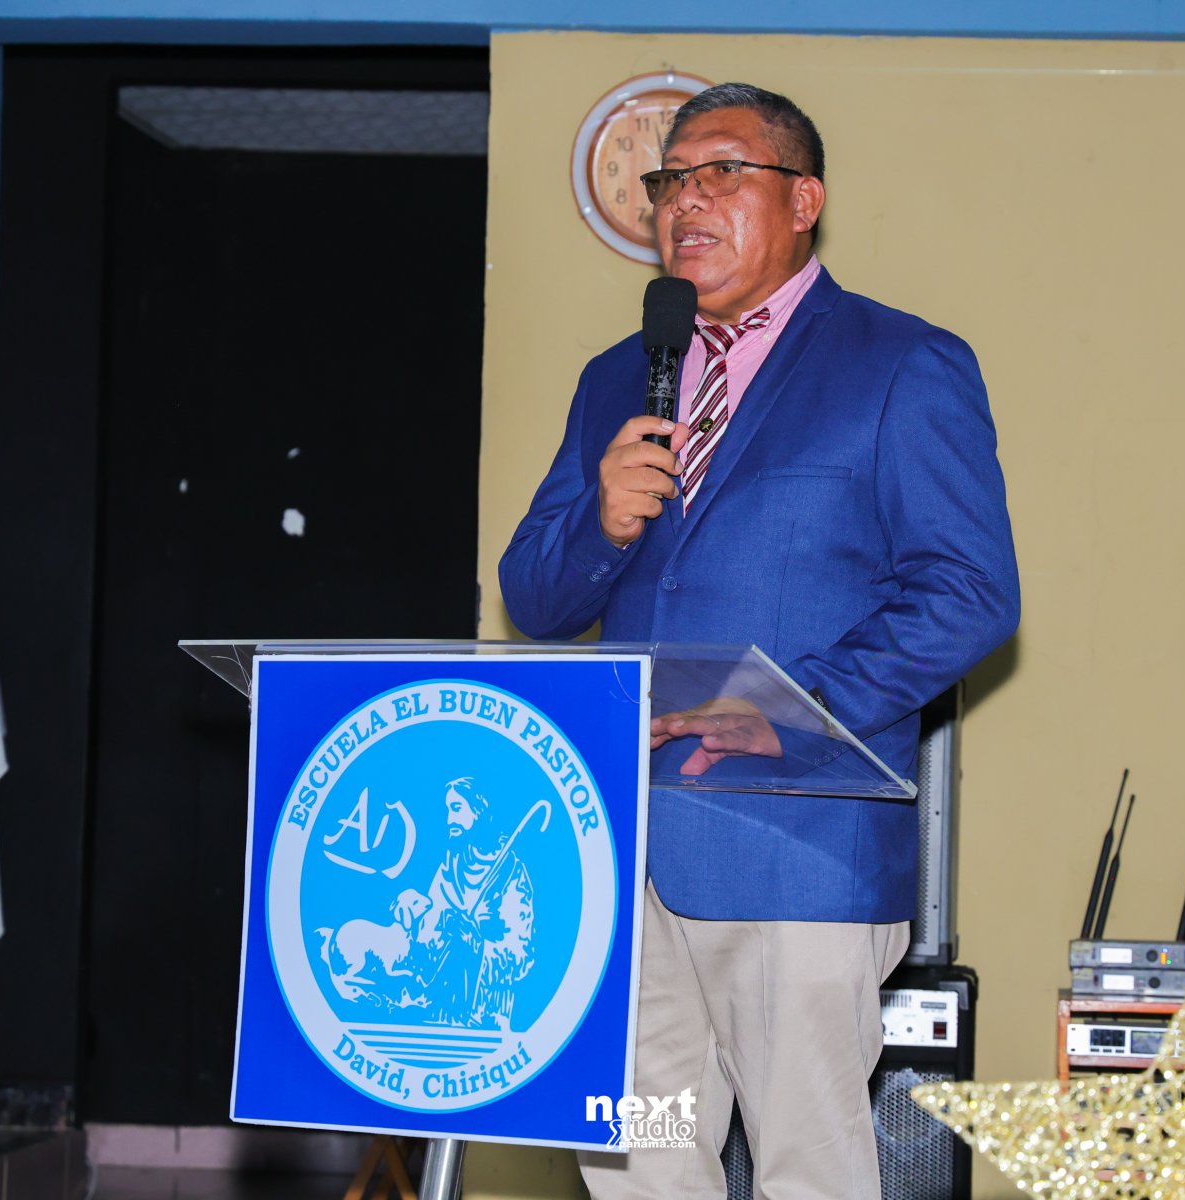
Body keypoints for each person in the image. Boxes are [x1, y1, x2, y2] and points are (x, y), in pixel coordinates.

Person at [499, 82, 1019, 1198]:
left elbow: (970, 591)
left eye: (721, 173)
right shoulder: (617, 377)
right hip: (624, 857)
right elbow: (532, 597)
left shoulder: (902, 364)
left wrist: (790, 707)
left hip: (797, 853)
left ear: (804, 201)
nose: (684, 201)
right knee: (636, 1157)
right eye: (670, 181)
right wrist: (600, 524)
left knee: (805, 1169)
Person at [393, 777, 536, 1030]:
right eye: (448, 810)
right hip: (439, 1010)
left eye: (457, 808)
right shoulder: (449, 867)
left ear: (479, 809)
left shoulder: (511, 873)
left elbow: (520, 956)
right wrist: (413, 920)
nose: (449, 820)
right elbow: (426, 940)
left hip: (487, 1016)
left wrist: (476, 944)